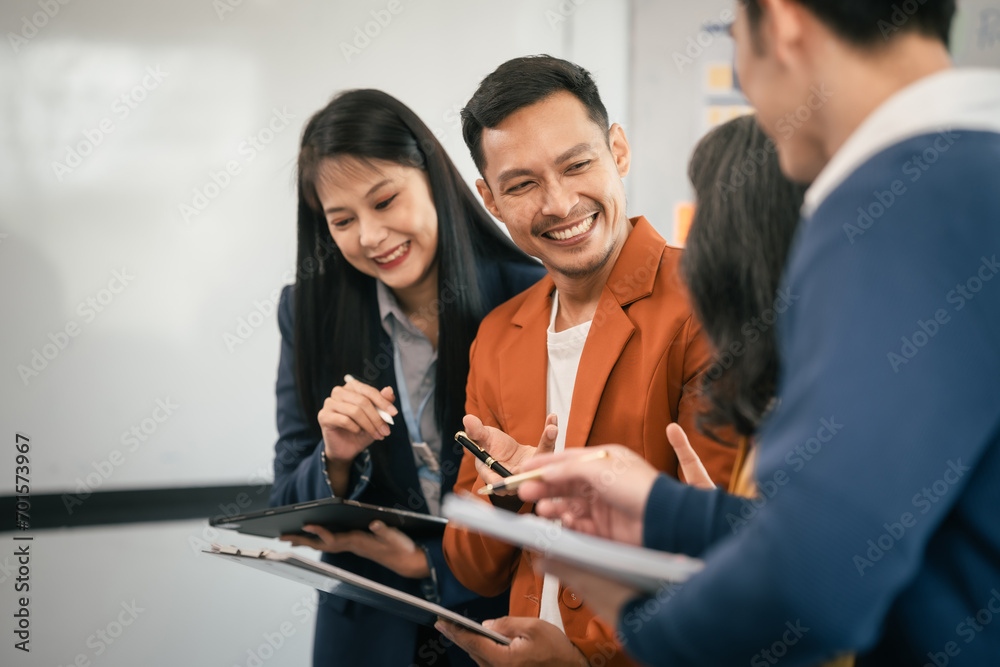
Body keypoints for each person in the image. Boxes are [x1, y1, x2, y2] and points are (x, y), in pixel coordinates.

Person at [473, 1, 1000, 665]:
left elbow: (816, 581)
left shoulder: (892, 205)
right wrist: (668, 509)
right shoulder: (969, 173)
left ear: (778, 25)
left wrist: (636, 614)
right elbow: (878, 517)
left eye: (732, 39)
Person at [440, 55, 739, 666]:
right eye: (521, 184)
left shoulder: (708, 302)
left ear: (618, 151)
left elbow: (727, 548)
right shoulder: (498, 335)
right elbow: (469, 566)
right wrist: (506, 495)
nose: (559, 203)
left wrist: (586, 660)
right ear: (490, 200)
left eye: (577, 165)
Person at [269, 88, 545, 666]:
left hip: (498, 625)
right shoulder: (309, 313)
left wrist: (429, 562)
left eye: (385, 200)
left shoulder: (531, 295)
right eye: (342, 220)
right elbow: (286, 504)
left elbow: (550, 489)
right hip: (366, 634)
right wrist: (336, 456)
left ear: (433, 178)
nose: (369, 235)